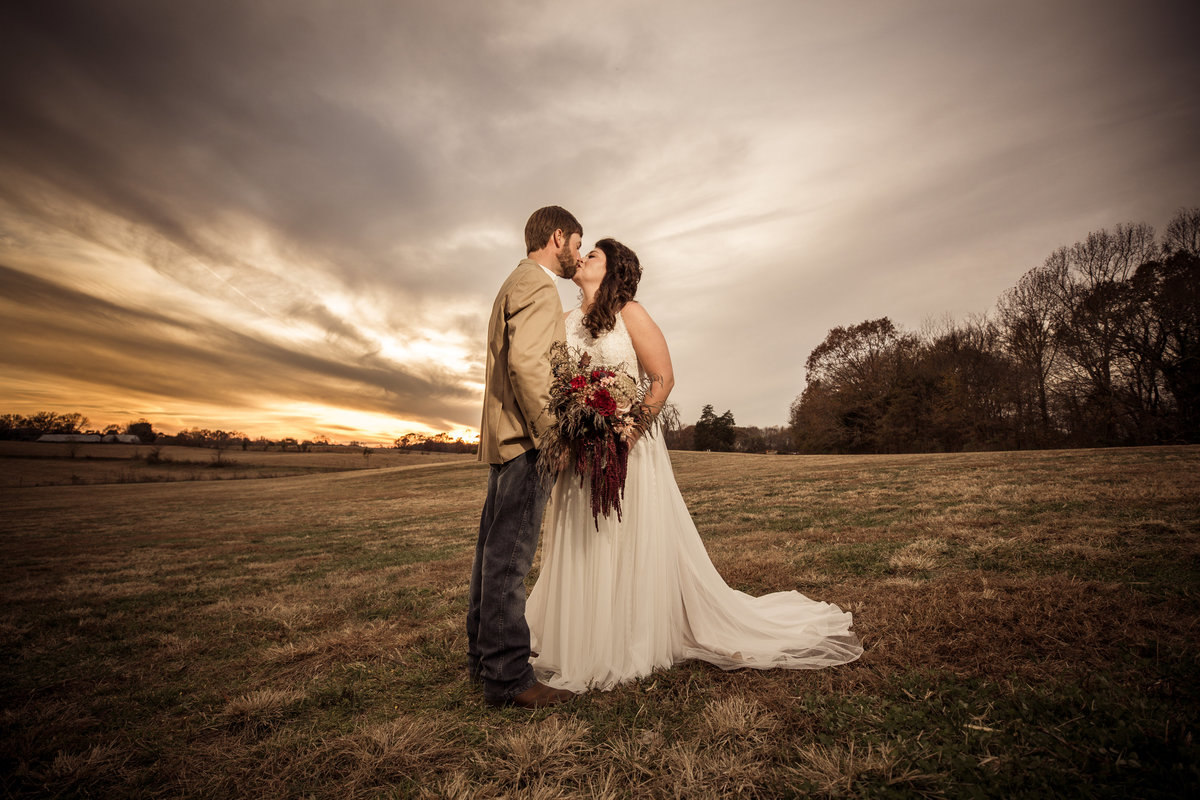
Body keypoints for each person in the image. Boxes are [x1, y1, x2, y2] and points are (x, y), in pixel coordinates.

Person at [527, 238, 863, 691]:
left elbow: (662, 379)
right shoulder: (564, 322)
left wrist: (627, 431)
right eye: (583, 253)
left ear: (612, 271)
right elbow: (556, 384)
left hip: (629, 446)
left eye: (594, 256)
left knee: (621, 536)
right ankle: (576, 634)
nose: (583, 258)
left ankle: (624, 636)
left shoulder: (631, 313)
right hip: (580, 452)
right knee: (583, 536)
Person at [468, 206, 583, 708]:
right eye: (576, 245)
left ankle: (484, 660)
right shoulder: (538, 285)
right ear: (557, 236)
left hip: (504, 438)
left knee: (490, 557)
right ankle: (509, 678)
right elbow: (530, 365)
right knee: (509, 561)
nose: (576, 255)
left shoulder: (513, 281)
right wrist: (553, 435)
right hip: (527, 441)